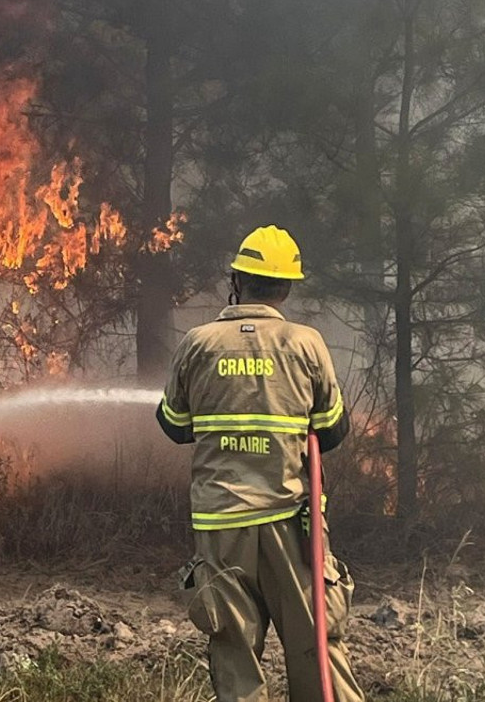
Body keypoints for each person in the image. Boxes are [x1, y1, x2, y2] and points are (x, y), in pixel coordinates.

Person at [156, 225, 366, 702]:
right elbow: (331, 430)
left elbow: (174, 425)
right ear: (287, 287)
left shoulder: (198, 344)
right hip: (289, 520)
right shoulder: (305, 343)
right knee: (316, 644)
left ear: (237, 280)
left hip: (221, 524)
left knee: (233, 649)